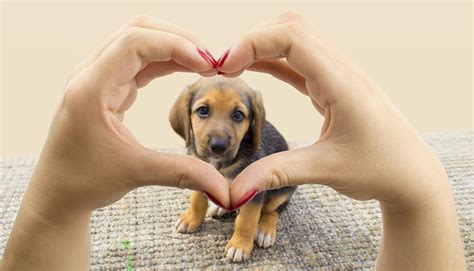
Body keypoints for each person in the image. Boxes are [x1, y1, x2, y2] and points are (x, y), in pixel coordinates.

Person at [1, 13, 466, 270]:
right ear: (185, 117)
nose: (218, 135)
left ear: (253, 124)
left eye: (237, 118)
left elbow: (259, 182)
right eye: (203, 113)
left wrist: (252, 221)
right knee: (202, 183)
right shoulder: (195, 142)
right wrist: (197, 205)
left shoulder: (253, 150)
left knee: (263, 195)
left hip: (266, 192)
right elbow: (198, 165)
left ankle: (266, 220)